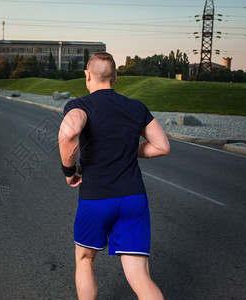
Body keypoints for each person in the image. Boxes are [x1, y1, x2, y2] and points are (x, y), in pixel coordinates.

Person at [58, 51, 170, 300]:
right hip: (133, 198)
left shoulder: (80, 105)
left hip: (96, 197)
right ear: (115, 77)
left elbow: (68, 133)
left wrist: (68, 171)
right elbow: (162, 146)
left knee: (85, 259)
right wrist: (127, 149)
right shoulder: (136, 107)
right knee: (141, 277)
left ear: (87, 76)